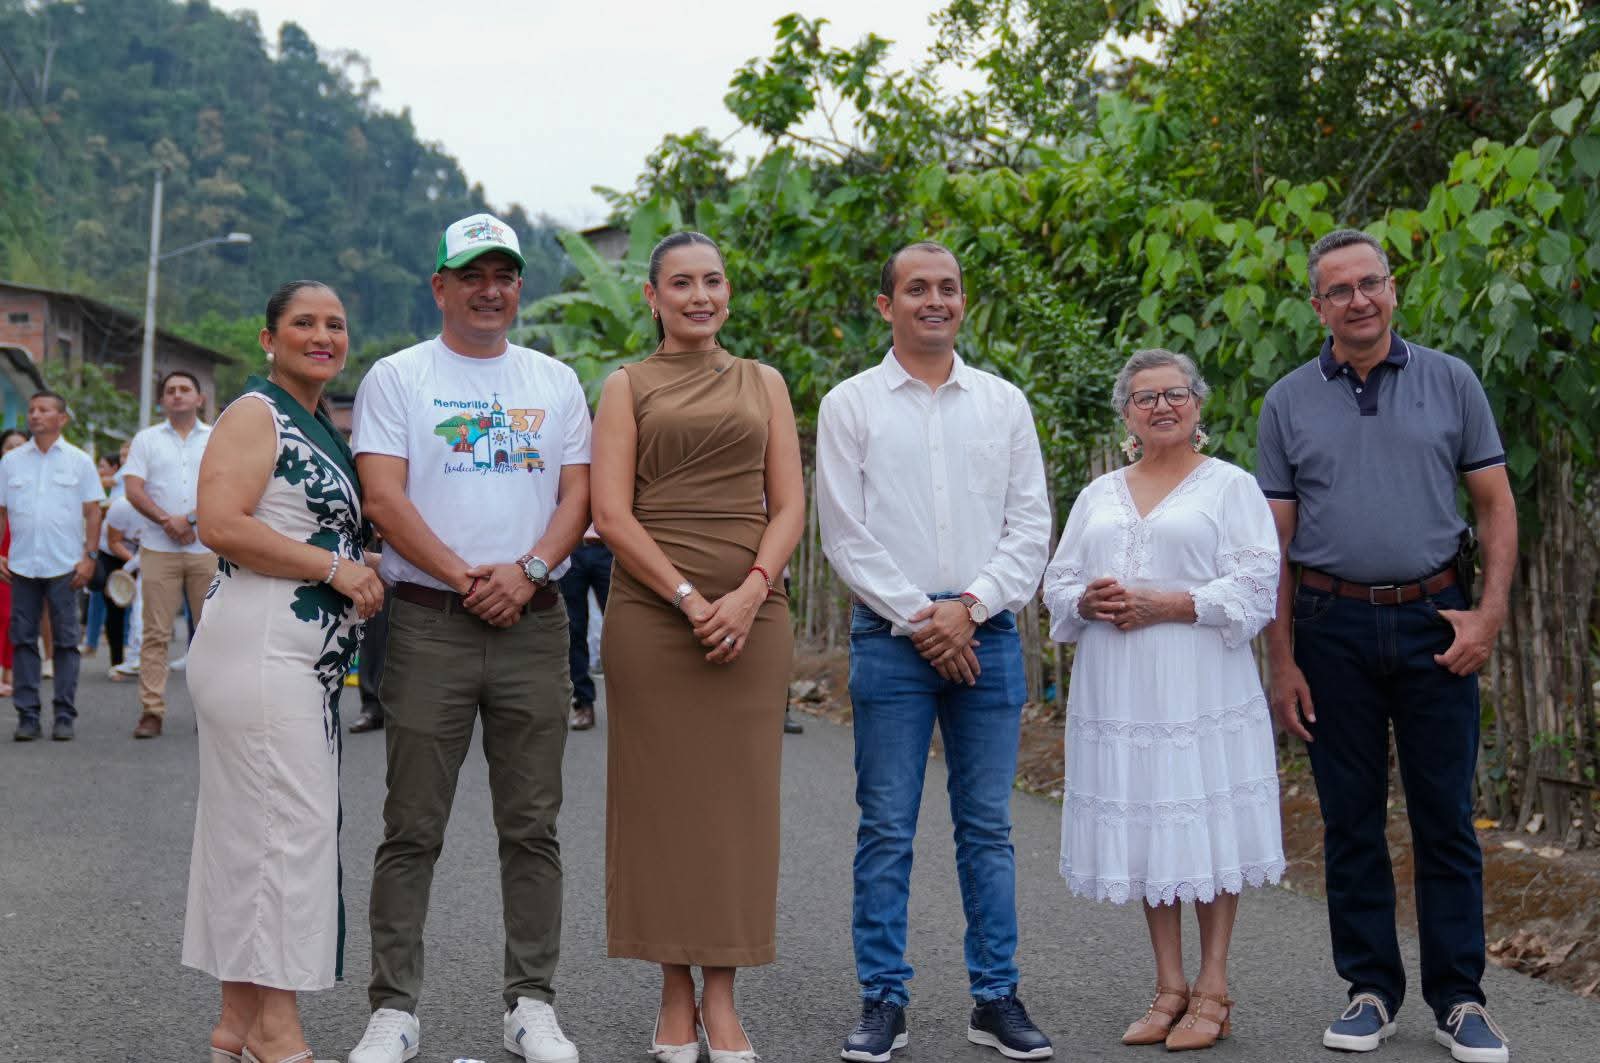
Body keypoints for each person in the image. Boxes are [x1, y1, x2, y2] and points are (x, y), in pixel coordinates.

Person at [1258, 229, 1517, 1063]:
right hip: (1329, 629)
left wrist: (1486, 616)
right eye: (1339, 290)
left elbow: (1495, 505)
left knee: (1446, 818)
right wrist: (1282, 660)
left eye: (1370, 282)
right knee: (1349, 820)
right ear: (1318, 307)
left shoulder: (1452, 380)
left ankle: (1460, 999)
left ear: (1393, 288)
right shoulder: (1287, 402)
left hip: (1435, 622)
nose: (1358, 300)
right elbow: (1274, 544)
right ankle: (1369, 990)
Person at [348, 213, 591, 1063]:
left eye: (504, 275)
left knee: (533, 826)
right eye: (473, 275)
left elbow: (577, 496)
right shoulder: (398, 377)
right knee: (411, 824)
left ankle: (531, 1003)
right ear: (440, 286)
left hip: (535, 624)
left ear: (519, 286)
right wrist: (466, 577)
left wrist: (528, 571)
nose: (491, 291)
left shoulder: (555, 380)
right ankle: (393, 1009)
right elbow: (384, 497)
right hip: (429, 624)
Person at [816, 241, 1054, 1062]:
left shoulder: (1003, 403)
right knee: (886, 826)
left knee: (987, 826)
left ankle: (996, 996)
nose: (934, 300)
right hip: (891, 640)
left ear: (963, 301)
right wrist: (928, 618)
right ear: (887, 305)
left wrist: (971, 607)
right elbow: (845, 533)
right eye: (916, 288)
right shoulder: (850, 404)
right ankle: (884, 998)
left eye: (947, 287)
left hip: (987, 635)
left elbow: (1031, 523)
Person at [592, 231, 803, 1063]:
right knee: (661, 808)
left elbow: (789, 505)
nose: (700, 295)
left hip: (753, 613)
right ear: (652, 298)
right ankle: (673, 993)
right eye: (680, 283)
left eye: (712, 280)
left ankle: (723, 995)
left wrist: (750, 592)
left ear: (728, 292)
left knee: (738, 811)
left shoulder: (765, 382)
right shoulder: (626, 385)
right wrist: (686, 597)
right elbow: (611, 514)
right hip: (653, 616)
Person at [1042, 349, 1286, 1052]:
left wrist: (1171, 603)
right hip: (1121, 686)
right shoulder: (1099, 493)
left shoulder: (1231, 487)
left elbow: (1256, 588)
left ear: (1198, 404)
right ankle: (1168, 985)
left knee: (1203, 816)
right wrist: (1085, 599)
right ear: (1126, 414)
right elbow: (1057, 583)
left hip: (1200, 680)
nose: (1161, 406)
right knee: (1150, 820)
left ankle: (1213, 986)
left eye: (1175, 393)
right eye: (1145, 397)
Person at [181, 280, 384, 1063]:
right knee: (288, 837)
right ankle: (276, 1030)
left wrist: (353, 564)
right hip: (261, 648)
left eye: (336, 323)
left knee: (253, 833)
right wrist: (335, 568)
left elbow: (302, 525)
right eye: (304, 322)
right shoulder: (254, 413)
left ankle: (237, 1022)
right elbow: (220, 523)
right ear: (269, 338)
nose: (323, 335)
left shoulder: (319, 422)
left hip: (293, 656)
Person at [0, 392, 104, 742]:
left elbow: (93, 512)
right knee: (23, 640)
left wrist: (90, 557)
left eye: (43, 410)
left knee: (66, 641)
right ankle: (28, 716)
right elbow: (1, 513)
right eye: (31, 410)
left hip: (66, 565)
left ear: (62, 418)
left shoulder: (79, 461)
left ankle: (64, 714)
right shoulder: (11, 462)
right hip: (22, 566)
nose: (34, 415)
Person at [124, 369, 216, 739]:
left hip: (206, 546)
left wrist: (190, 519)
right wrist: (168, 521)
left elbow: (226, 485)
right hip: (158, 547)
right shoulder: (146, 440)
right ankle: (152, 710)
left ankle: (209, 712)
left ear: (199, 398)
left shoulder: (216, 437)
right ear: (162, 400)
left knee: (210, 633)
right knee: (155, 633)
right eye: (170, 390)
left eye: (184, 389)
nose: (177, 395)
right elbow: (133, 489)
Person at [558, 524, 610, 731]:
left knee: (622, 629)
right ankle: (583, 703)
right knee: (573, 630)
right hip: (572, 548)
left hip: (610, 547)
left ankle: (629, 701)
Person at [82, 451, 121, 659]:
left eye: (103, 466)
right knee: (97, 594)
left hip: (122, 551)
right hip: (103, 549)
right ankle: (91, 641)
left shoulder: (124, 479)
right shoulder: (111, 486)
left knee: (120, 601)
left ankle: (123, 649)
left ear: (115, 468)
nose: (99, 470)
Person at [0, 427, 29, 697]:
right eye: (10, 446)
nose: (15, 451)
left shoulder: (34, 481)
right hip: (1, 553)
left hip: (21, 554)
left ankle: (9, 671)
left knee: (13, 616)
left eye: (21, 446)